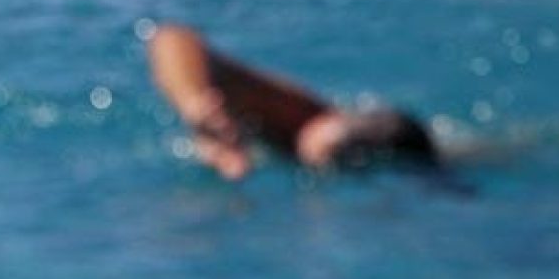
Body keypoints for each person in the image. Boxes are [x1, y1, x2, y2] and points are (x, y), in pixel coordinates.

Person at [147, 23, 438, 179]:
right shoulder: (302, 117)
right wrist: (197, 106)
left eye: (325, 160)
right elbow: (171, 37)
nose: (305, 148)